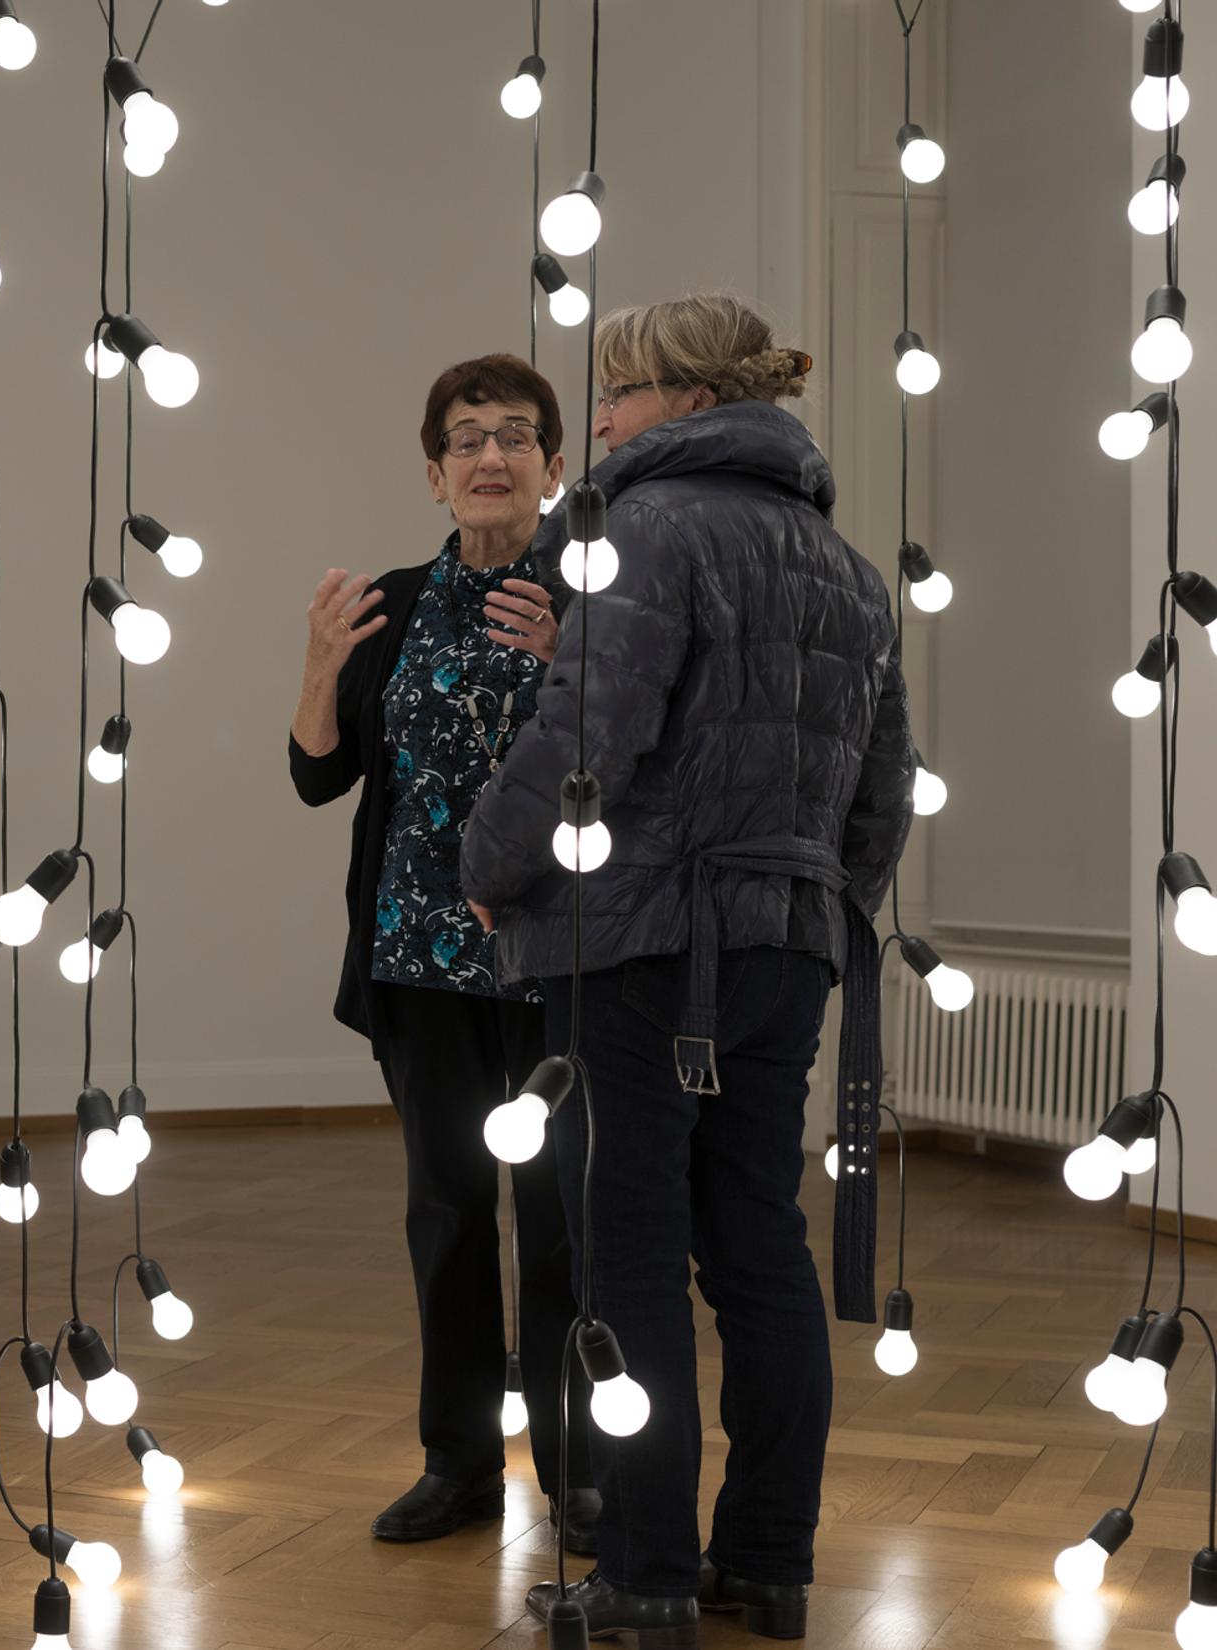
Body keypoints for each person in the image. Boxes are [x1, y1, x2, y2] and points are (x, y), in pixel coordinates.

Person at [459, 295, 913, 1646]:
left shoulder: (641, 532)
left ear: (686, 397)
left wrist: (485, 859)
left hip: (647, 946)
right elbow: (883, 794)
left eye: (614, 391)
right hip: (785, 945)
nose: (592, 419)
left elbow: (584, 728)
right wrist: (820, 910)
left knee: (632, 1256)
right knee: (761, 1248)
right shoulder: (847, 566)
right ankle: (768, 1564)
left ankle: (646, 1575)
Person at [288, 353, 600, 1552]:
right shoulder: (395, 603)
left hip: (556, 966)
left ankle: (575, 1470)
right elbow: (319, 776)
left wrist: (565, 662)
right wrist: (320, 659)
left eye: (516, 436)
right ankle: (459, 1463)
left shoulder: (591, 599)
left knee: (563, 1221)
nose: (490, 457)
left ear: (554, 466)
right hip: (418, 968)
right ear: (433, 473)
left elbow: (626, 762)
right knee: (449, 1218)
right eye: (466, 439)